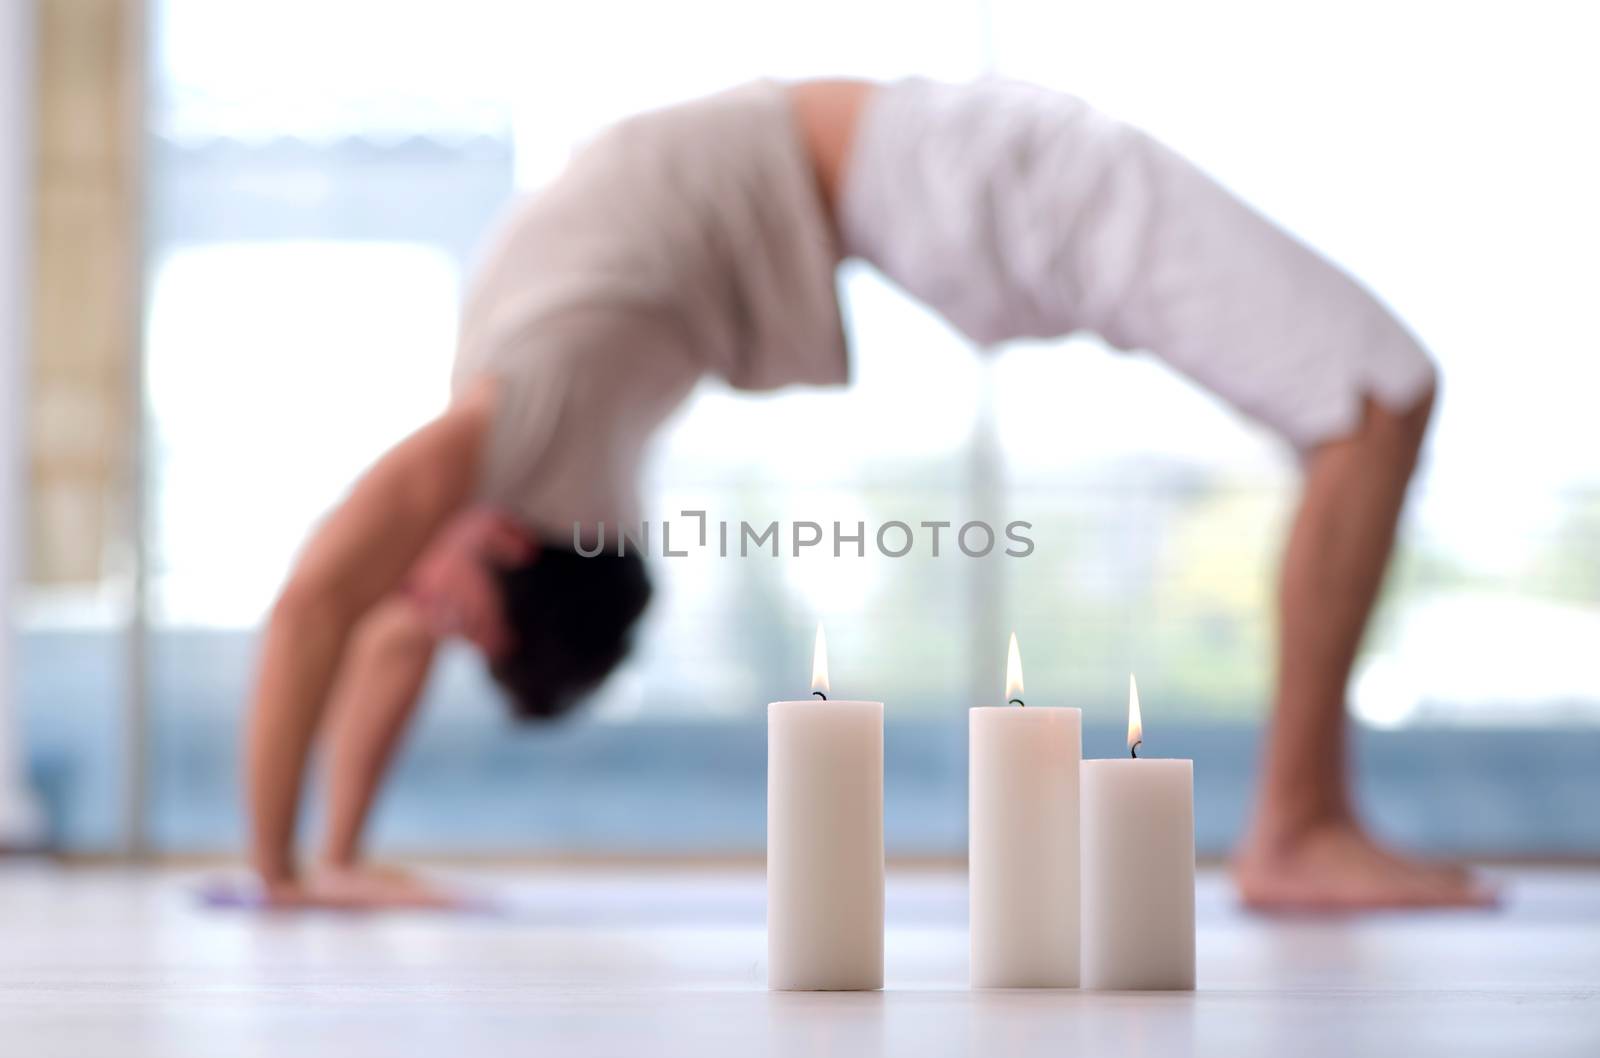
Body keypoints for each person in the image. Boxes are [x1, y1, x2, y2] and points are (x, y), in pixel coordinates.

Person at [244, 77, 1493, 911]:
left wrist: (289, 869)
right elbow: (386, 635)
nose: (426, 609)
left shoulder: (517, 426)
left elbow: (323, 605)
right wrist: (330, 863)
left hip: (926, 176)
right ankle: (1297, 824)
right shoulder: (541, 449)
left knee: (1367, 397)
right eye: (471, 621)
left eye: (458, 617)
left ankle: (1299, 818)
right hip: (933, 187)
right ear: (517, 551)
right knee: (1372, 392)